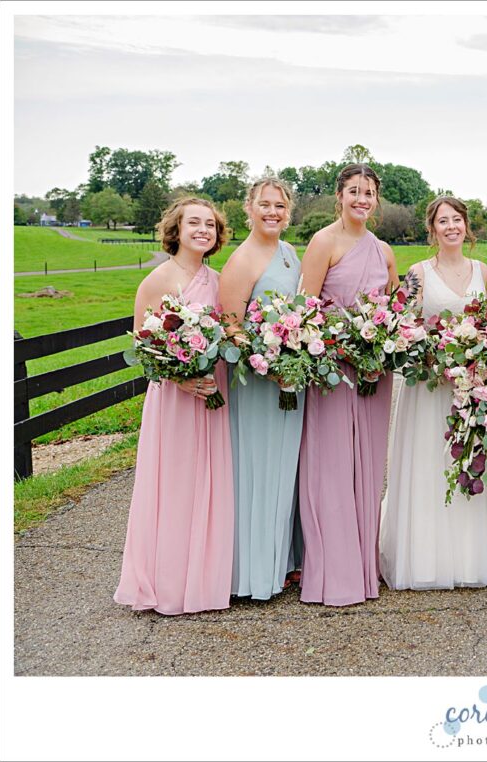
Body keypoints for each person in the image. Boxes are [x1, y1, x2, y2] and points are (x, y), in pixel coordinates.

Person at [114, 198, 234, 615]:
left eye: (210, 225)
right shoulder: (157, 280)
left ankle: (205, 578)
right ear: (176, 230)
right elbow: (143, 349)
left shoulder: (219, 280)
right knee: (176, 485)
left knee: (210, 482)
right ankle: (167, 584)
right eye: (194, 223)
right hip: (176, 401)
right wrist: (182, 380)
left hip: (214, 394)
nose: (203, 230)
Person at [380, 197, 487, 589]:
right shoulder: (418, 273)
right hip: (430, 386)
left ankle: (465, 561)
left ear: (466, 226)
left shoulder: (484, 271)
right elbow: (403, 328)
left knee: (466, 462)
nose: (451, 227)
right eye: (442, 221)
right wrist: (434, 355)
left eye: (457, 219)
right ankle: (424, 560)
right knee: (430, 462)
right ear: (432, 229)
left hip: (469, 385)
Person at [297, 164, 399, 607]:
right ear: (339, 195)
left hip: (375, 371)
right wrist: (337, 340)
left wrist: (387, 341)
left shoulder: (385, 250)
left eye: (369, 192)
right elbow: (304, 308)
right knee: (333, 463)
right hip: (333, 368)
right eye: (354, 191)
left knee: (368, 465)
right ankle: (332, 571)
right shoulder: (323, 242)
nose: (362, 199)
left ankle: (363, 565)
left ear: (377, 200)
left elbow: (396, 309)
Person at [219, 176, 304, 600]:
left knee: (285, 470)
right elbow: (231, 326)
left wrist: (298, 355)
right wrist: (267, 365)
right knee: (259, 468)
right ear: (248, 209)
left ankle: (283, 562)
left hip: (291, 379)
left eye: (280, 206)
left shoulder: (289, 254)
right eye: (265, 205)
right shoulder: (242, 259)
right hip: (257, 383)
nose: (273, 212)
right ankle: (253, 575)